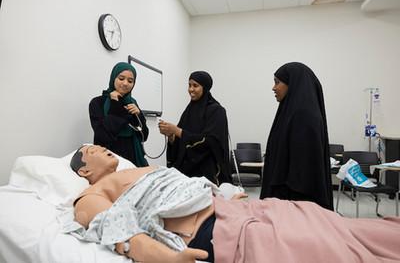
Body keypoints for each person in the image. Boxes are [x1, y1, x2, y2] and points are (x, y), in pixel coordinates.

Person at [66, 145, 400, 263]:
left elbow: (183, 185)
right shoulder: (91, 194)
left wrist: (227, 194)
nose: (101, 148)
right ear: (84, 169)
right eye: (92, 151)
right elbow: (115, 229)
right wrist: (166, 258)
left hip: (238, 209)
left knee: (336, 224)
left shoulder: (138, 169)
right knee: (315, 245)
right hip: (212, 228)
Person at [260, 62, 333, 210]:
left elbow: (303, 174)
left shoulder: (304, 116)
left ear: (293, 83)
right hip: (286, 200)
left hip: (295, 203)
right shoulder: (290, 112)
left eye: (277, 82)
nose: (273, 88)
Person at [158, 71, 231, 185]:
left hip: (208, 172)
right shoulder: (189, 111)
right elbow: (180, 138)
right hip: (186, 172)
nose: (191, 89)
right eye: (189, 85)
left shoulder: (217, 111)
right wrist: (171, 136)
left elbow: (212, 142)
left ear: (205, 88)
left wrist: (177, 131)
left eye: (195, 85)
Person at [89, 62, 149, 167]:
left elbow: (144, 136)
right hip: (109, 158)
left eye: (130, 81)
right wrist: (115, 104)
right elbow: (102, 135)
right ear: (113, 78)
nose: (125, 83)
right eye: (121, 78)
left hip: (133, 158)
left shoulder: (132, 103)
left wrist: (139, 115)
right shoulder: (97, 102)